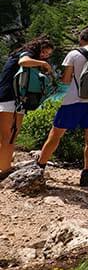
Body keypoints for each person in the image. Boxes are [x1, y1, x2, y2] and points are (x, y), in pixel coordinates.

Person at [38, 28, 88, 187]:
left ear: (82, 39)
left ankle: (39, 168)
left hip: (74, 100)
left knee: (56, 134)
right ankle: (87, 174)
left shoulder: (74, 54)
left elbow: (66, 80)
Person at [0, 36, 54, 177]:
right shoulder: (26, 54)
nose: (45, 56)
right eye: (44, 52)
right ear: (37, 48)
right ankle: (4, 171)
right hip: (10, 99)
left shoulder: (24, 54)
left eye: (48, 55)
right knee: (9, 138)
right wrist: (44, 64)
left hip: (12, 99)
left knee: (8, 137)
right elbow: (23, 61)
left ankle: (4, 166)